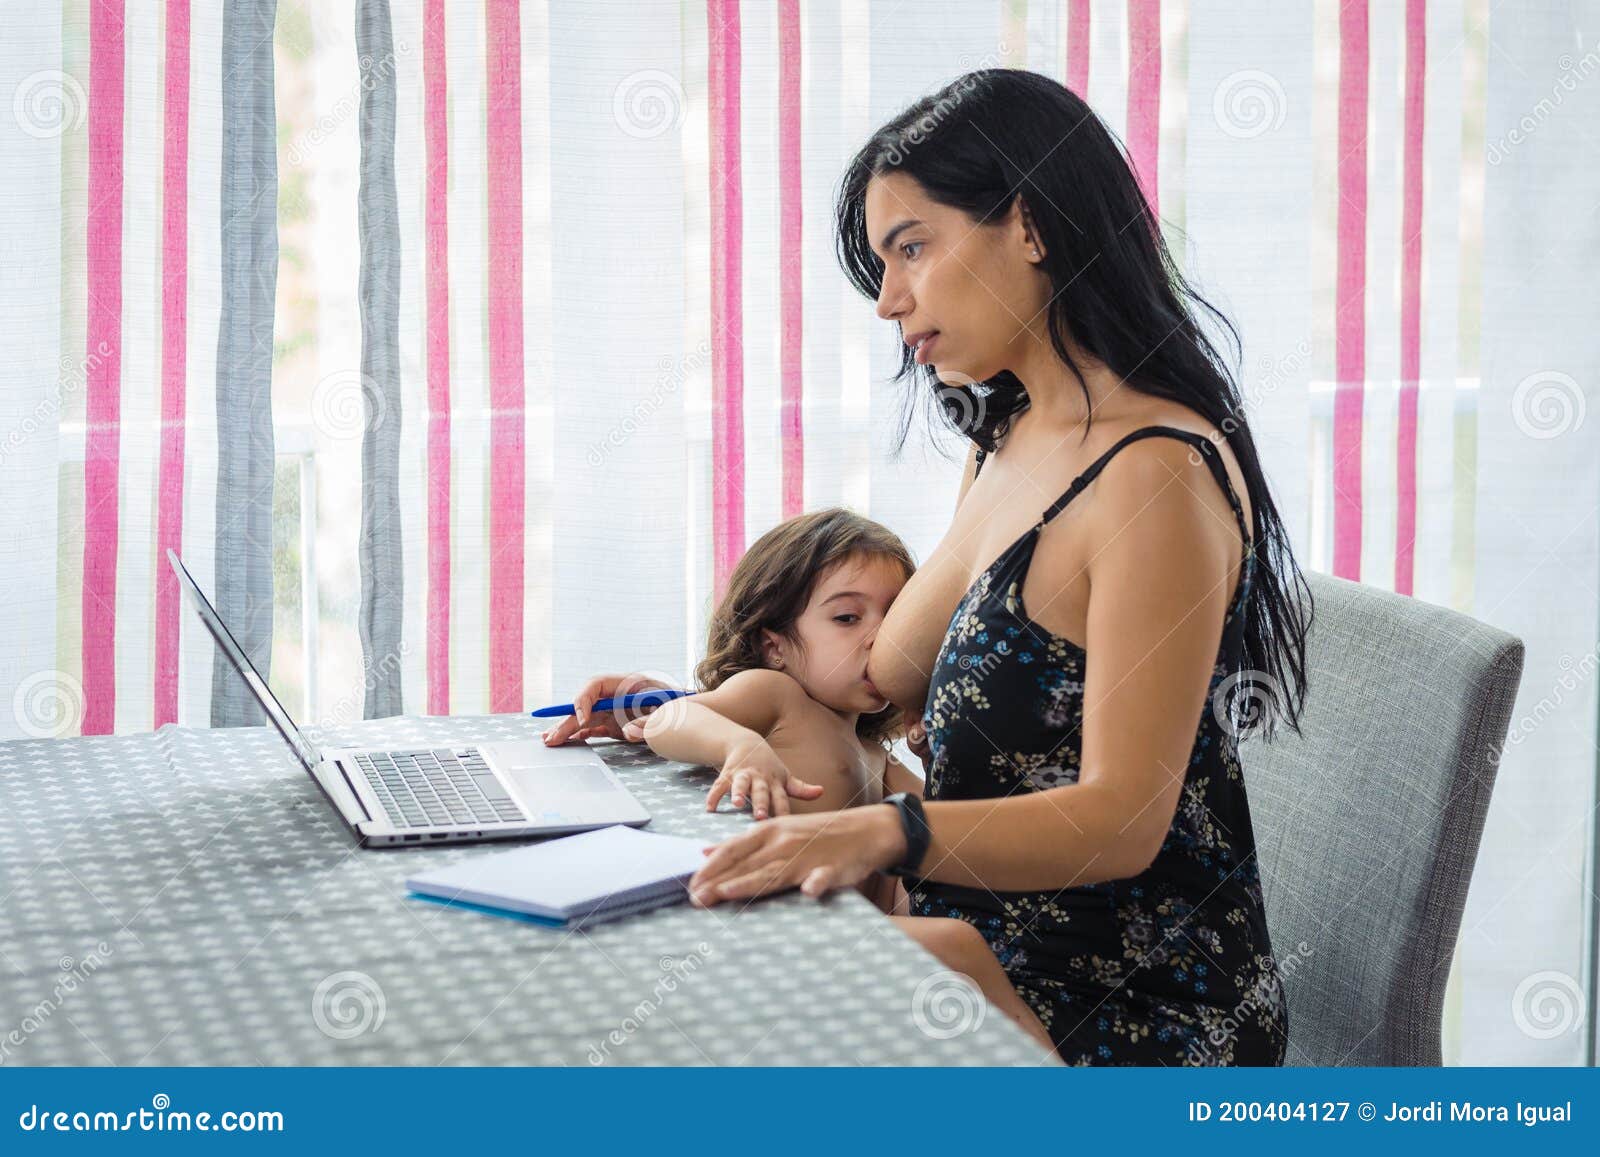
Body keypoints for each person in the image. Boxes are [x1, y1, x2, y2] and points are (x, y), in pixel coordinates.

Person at [557, 67, 1314, 1065]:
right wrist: (692, 705)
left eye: (910, 247)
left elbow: (1123, 820)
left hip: (1122, 1001)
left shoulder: (1153, 476)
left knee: (707, 1008)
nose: (888, 299)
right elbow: (883, 676)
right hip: (973, 937)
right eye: (881, 262)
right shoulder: (1007, 435)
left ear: (1030, 225)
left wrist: (884, 834)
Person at [543, 508, 1059, 1051]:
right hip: (784, 926)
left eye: (895, 616)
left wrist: (935, 755)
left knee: (961, 927)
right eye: (847, 619)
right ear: (776, 646)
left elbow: (935, 827)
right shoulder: (774, 695)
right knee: (959, 944)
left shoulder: (872, 750)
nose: (879, 637)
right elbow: (675, 720)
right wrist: (741, 746)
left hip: (849, 923)